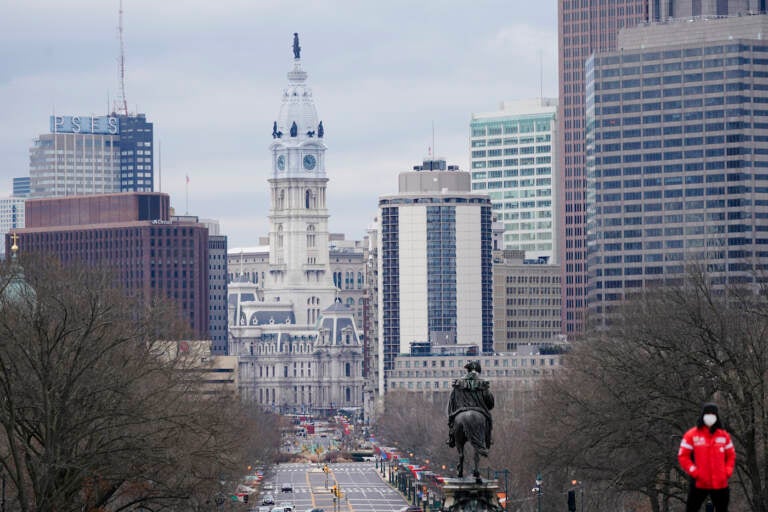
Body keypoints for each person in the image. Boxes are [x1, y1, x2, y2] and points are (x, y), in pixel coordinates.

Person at [677, 403, 736, 512]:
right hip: (699, 482)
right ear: (702, 415)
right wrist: (694, 471)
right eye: (707, 413)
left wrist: (727, 472)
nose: (710, 416)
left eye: (713, 414)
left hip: (720, 483)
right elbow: (683, 456)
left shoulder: (723, 436)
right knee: (691, 508)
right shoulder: (692, 435)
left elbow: (731, 455)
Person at [446, 360, 494, 449]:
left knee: (452, 422)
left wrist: (451, 414)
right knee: (489, 421)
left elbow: (452, 400)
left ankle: (451, 437)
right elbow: (490, 402)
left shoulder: (458, 383)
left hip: (461, 409)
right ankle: (488, 438)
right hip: (479, 410)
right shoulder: (483, 383)